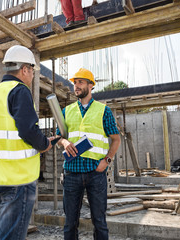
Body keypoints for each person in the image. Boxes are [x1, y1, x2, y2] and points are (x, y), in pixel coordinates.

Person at [0, 45, 56, 240]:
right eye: (32, 71)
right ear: (25, 69)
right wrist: (44, 144)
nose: (32, 77)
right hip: (16, 179)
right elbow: (28, 130)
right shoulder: (20, 91)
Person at [57, 68, 121, 240]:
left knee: (99, 221)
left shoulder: (103, 110)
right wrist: (64, 141)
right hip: (71, 173)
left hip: (95, 173)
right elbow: (58, 137)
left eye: (80, 82)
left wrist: (106, 161)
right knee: (70, 223)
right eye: (75, 83)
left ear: (91, 85)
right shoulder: (66, 111)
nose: (76, 86)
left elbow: (116, 139)